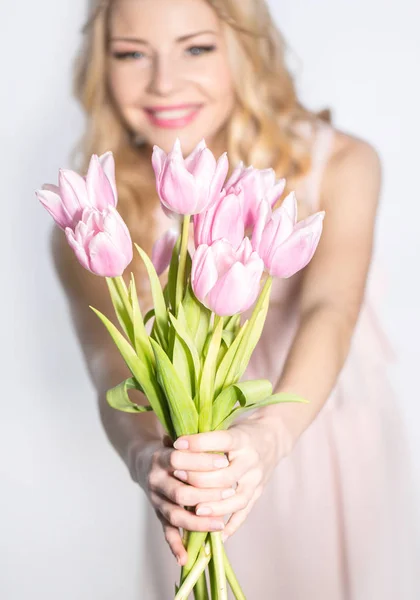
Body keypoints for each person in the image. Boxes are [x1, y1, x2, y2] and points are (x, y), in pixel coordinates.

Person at [51, 0, 420, 598]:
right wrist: (150, 461)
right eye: (130, 54)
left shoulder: (340, 165)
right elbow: (108, 368)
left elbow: (332, 308)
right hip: (189, 474)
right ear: (101, 64)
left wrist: (269, 438)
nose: (164, 82)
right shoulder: (96, 215)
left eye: (196, 47)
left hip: (321, 447)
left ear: (245, 49)